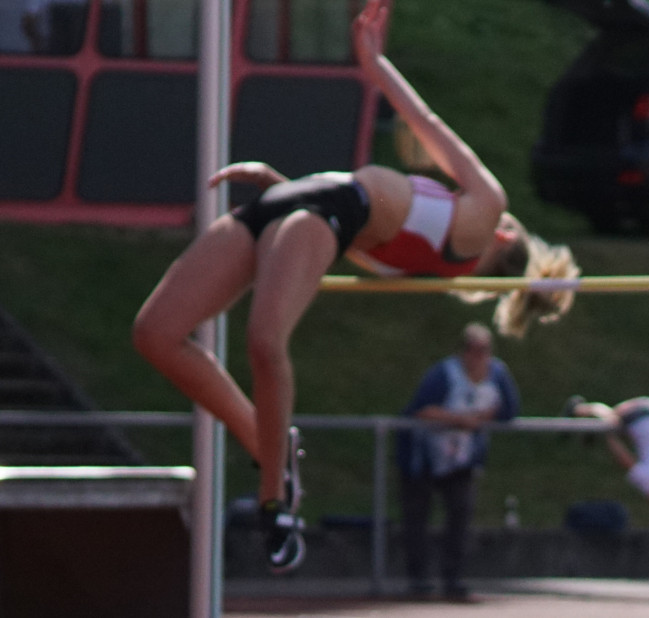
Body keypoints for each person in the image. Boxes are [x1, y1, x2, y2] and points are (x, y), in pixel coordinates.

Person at [132, 0, 577, 573]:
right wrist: (279, 183)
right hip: (293, 202)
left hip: (323, 211)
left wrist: (375, 64)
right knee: (156, 333)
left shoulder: (483, 214)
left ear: (505, 239)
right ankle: (268, 442)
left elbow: (429, 126)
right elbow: (349, 218)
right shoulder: (424, 259)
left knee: (266, 343)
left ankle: (276, 496)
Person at [396, 323, 520, 599]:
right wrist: (460, 420)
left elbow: (509, 410)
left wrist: (481, 418)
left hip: (462, 459)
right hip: (423, 456)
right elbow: (421, 410)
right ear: (464, 351)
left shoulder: (497, 374)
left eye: (484, 351)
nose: (479, 357)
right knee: (417, 518)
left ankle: (453, 579)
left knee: (460, 516)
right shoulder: (443, 374)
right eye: (474, 351)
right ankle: (418, 580)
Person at [566, 395, 649, 531]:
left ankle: (590, 429)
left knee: (633, 434)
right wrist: (608, 435)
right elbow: (624, 458)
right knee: (611, 418)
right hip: (640, 413)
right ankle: (579, 409)